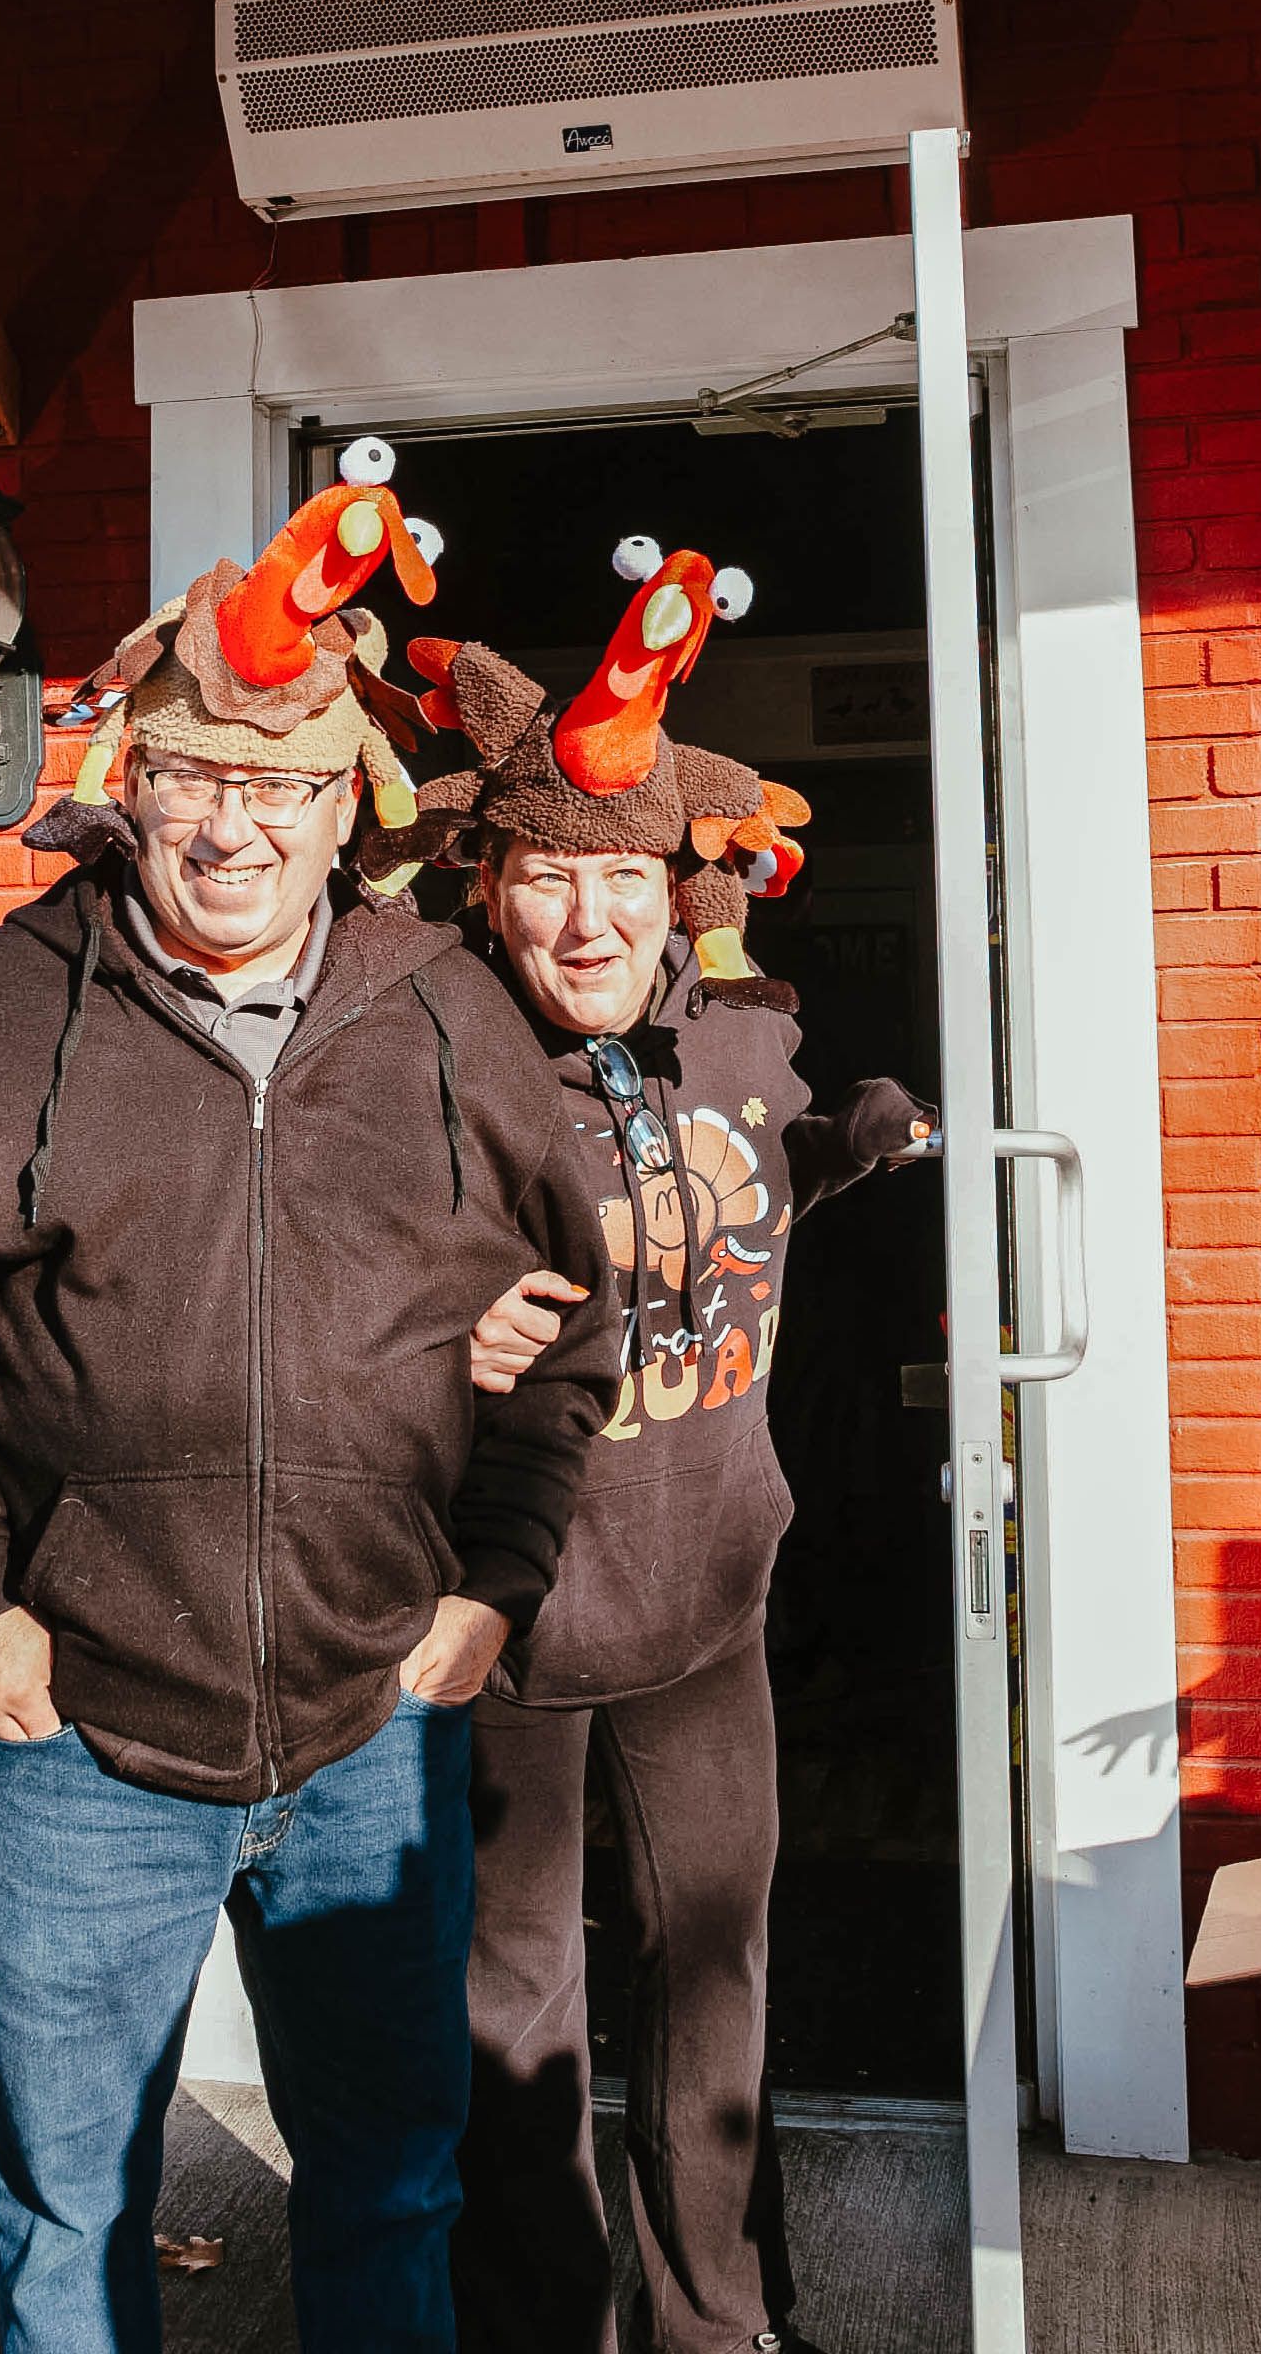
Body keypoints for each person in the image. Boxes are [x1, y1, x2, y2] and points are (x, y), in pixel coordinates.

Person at [0, 451, 620, 2354]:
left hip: (368, 1727)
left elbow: (570, 1321)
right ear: (129, 787)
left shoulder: (446, 1011)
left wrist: (493, 1579)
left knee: (390, 2184)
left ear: (352, 807)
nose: (232, 828)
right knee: (70, 2207)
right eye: (194, 779)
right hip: (75, 1728)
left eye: (279, 786)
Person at [362, 537, 931, 2354]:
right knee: (518, 2009)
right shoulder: (428, 1072)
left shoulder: (744, 1048)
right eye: (545, 876)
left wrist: (850, 1142)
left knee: (716, 1972)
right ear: (490, 885)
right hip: (505, 1633)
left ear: (677, 888)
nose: (587, 918)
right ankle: (541, 2328)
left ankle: (714, 2318)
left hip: (708, 1610)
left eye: (619, 875)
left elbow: (747, 1200)